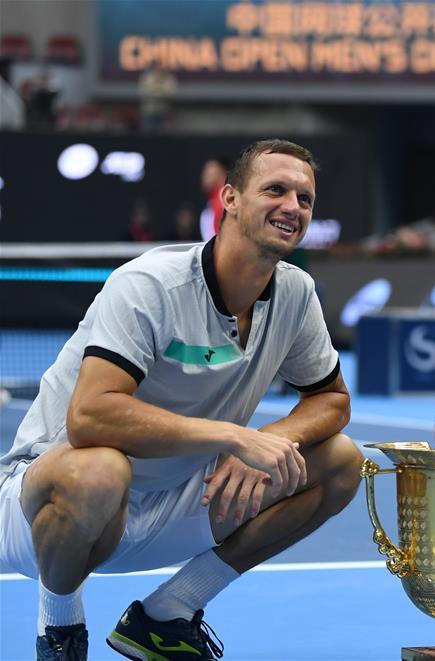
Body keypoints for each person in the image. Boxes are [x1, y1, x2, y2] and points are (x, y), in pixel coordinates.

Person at [0, 139, 361, 660]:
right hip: (47, 512)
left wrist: (270, 438)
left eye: (304, 199)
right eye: (276, 190)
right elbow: (89, 417)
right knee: (99, 470)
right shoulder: (150, 285)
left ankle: (168, 615)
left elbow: (331, 401)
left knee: (341, 461)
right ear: (230, 199)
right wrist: (232, 436)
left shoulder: (297, 294)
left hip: (175, 502)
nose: (292, 207)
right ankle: (60, 630)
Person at [199, 157, 231, 241]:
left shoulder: (224, 199)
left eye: (209, 172)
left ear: (223, 173)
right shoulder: (214, 200)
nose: (204, 176)